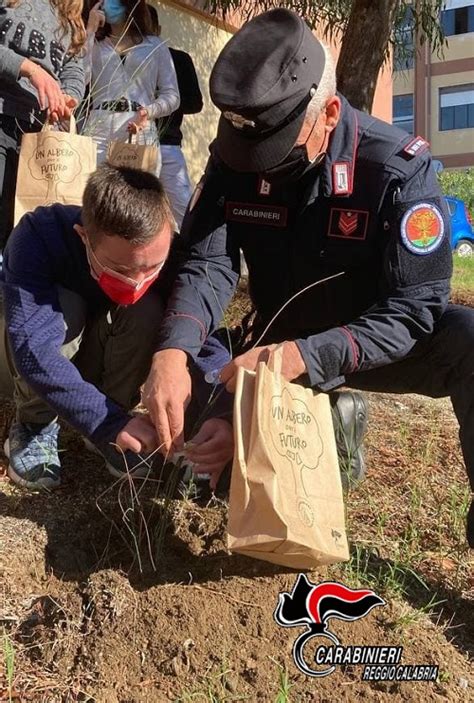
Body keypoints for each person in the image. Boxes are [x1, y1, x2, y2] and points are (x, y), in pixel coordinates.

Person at [141, 9, 474, 547]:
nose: (260, 169)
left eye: (276, 153)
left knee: (471, 342)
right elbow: (206, 263)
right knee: (202, 442)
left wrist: (311, 356)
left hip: (368, 341)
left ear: (329, 113)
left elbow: (414, 310)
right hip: (272, 339)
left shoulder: (397, 170)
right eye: (247, 152)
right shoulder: (236, 158)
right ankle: (323, 415)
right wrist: (172, 353)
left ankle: (331, 399)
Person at [1, 163, 233, 491]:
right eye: (120, 267)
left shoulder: (168, 254)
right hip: (22, 361)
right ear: (84, 237)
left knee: (151, 309)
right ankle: (33, 425)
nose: (138, 280)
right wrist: (106, 422)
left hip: (94, 361)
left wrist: (221, 411)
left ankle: (113, 424)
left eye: (152, 266)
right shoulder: (38, 236)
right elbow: (32, 349)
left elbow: (200, 337)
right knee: (65, 308)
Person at [0, 0, 86, 248]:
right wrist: (30, 70)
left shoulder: (69, 17)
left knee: (15, 225)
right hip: (3, 112)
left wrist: (68, 96)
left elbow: (73, 69)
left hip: (37, 136)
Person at [82, 0, 179, 174]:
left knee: (137, 195)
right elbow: (81, 78)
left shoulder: (154, 44)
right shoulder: (96, 43)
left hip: (139, 125)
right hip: (99, 126)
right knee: (91, 191)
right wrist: (90, 31)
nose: (106, 5)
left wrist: (148, 112)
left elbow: (172, 95)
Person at [148, 5, 203, 228]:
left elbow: (195, 103)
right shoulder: (121, 58)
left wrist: (163, 101)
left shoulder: (178, 59)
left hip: (166, 144)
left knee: (184, 215)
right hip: (130, 145)